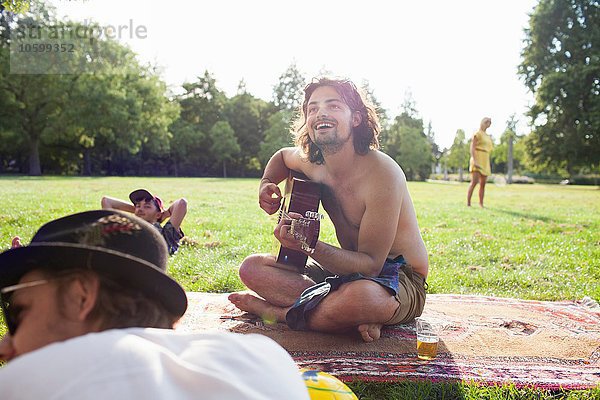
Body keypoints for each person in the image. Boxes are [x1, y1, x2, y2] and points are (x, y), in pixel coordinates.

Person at [0, 210, 309, 400]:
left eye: (18, 313)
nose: (5, 343)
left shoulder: (40, 380)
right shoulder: (265, 356)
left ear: (80, 297)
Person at [228, 77, 429, 343]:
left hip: (400, 277)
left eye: (333, 105)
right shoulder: (313, 164)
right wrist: (266, 184)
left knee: (363, 297)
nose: (320, 112)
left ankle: (276, 312)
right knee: (252, 268)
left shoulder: (383, 173)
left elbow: (371, 266)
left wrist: (308, 246)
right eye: (312, 109)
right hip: (347, 274)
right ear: (308, 123)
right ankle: (345, 316)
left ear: (356, 118)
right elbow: (281, 156)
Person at [101, 188, 187, 255]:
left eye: (147, 206)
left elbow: (181, 203)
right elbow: (106, 201)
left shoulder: (166, 234)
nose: (140, 209)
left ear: (158, 214)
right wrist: (138, 211)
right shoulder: (128, 226)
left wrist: (163, 215)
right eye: (137, 206)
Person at [467, 117, 493, 207]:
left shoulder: (487, 136)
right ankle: (468, 203)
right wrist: (475, 160)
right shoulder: (477, 133)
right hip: (477, 158)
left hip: (485, 160)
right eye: (487, 122)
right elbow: (472, 148)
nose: (488, 124)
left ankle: (481, 203)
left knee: (483, 184)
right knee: (474, 182)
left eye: (489, 123)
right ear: (482, 122)